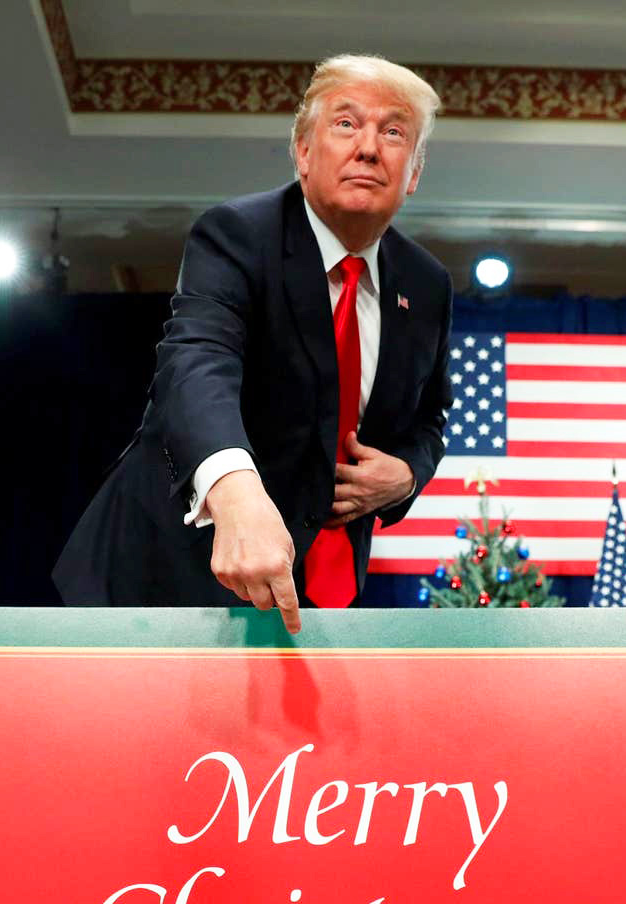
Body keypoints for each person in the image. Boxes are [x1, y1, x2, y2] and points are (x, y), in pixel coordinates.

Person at [53, 54, 453, 633]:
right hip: (164, 581)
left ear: (414, 171)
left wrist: (408, 475)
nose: (369, 148)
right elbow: (197, 362)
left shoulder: (427, 284)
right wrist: (235, 492)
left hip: (314, 595)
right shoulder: (239, 235)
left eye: (394, 133)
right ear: (303, 151)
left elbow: (431, 415)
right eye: (346, 124)